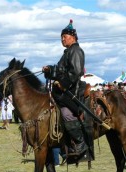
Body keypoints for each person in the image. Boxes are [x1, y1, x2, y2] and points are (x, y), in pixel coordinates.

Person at [42, 19, 91, 156]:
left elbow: (76, 71)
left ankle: (80, 143)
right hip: (65, 88)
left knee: (66, 114)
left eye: (65, 37)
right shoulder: (68, 52)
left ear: (73, 37)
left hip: (72, 89)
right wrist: (50, 70)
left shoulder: (76, 51)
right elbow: (61, 70)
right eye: (61, 38)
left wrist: (62, 83)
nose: (62, 39)